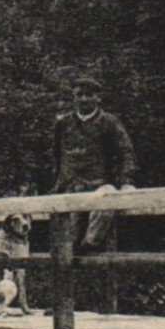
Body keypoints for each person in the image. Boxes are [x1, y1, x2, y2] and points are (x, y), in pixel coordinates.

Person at [50, 75, 136, 253]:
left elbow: (125, 153)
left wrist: (126, 180)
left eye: (89, 95)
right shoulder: (63, 123)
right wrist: (57, 183)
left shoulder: (109, 122)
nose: (83, 99)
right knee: (66, 246)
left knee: (99, 234)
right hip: (69, 187)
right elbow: (57, 156)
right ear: (74, 97)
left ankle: (89, 245)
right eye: (79, 95)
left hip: (97, 186)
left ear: (98, 97)